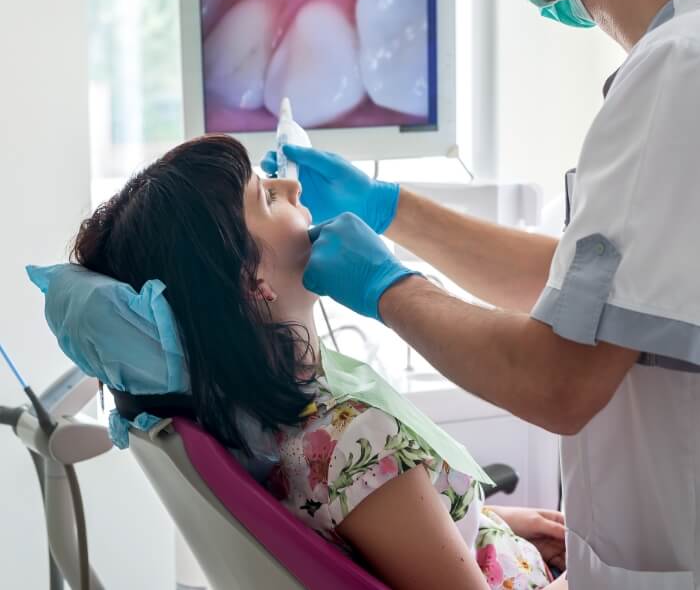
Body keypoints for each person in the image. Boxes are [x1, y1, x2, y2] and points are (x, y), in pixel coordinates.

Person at [262, 0, 700, 587]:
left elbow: (559, 382)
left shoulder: (676, 76)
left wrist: (388, 287)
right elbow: (595, 294)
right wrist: (390, 210)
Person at [71, 135, 567, 590]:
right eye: (266, 195)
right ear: (250, 281)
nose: (291, 184)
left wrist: (490, 523)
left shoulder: (273, 428)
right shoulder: (352, 439)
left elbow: (384, 533)